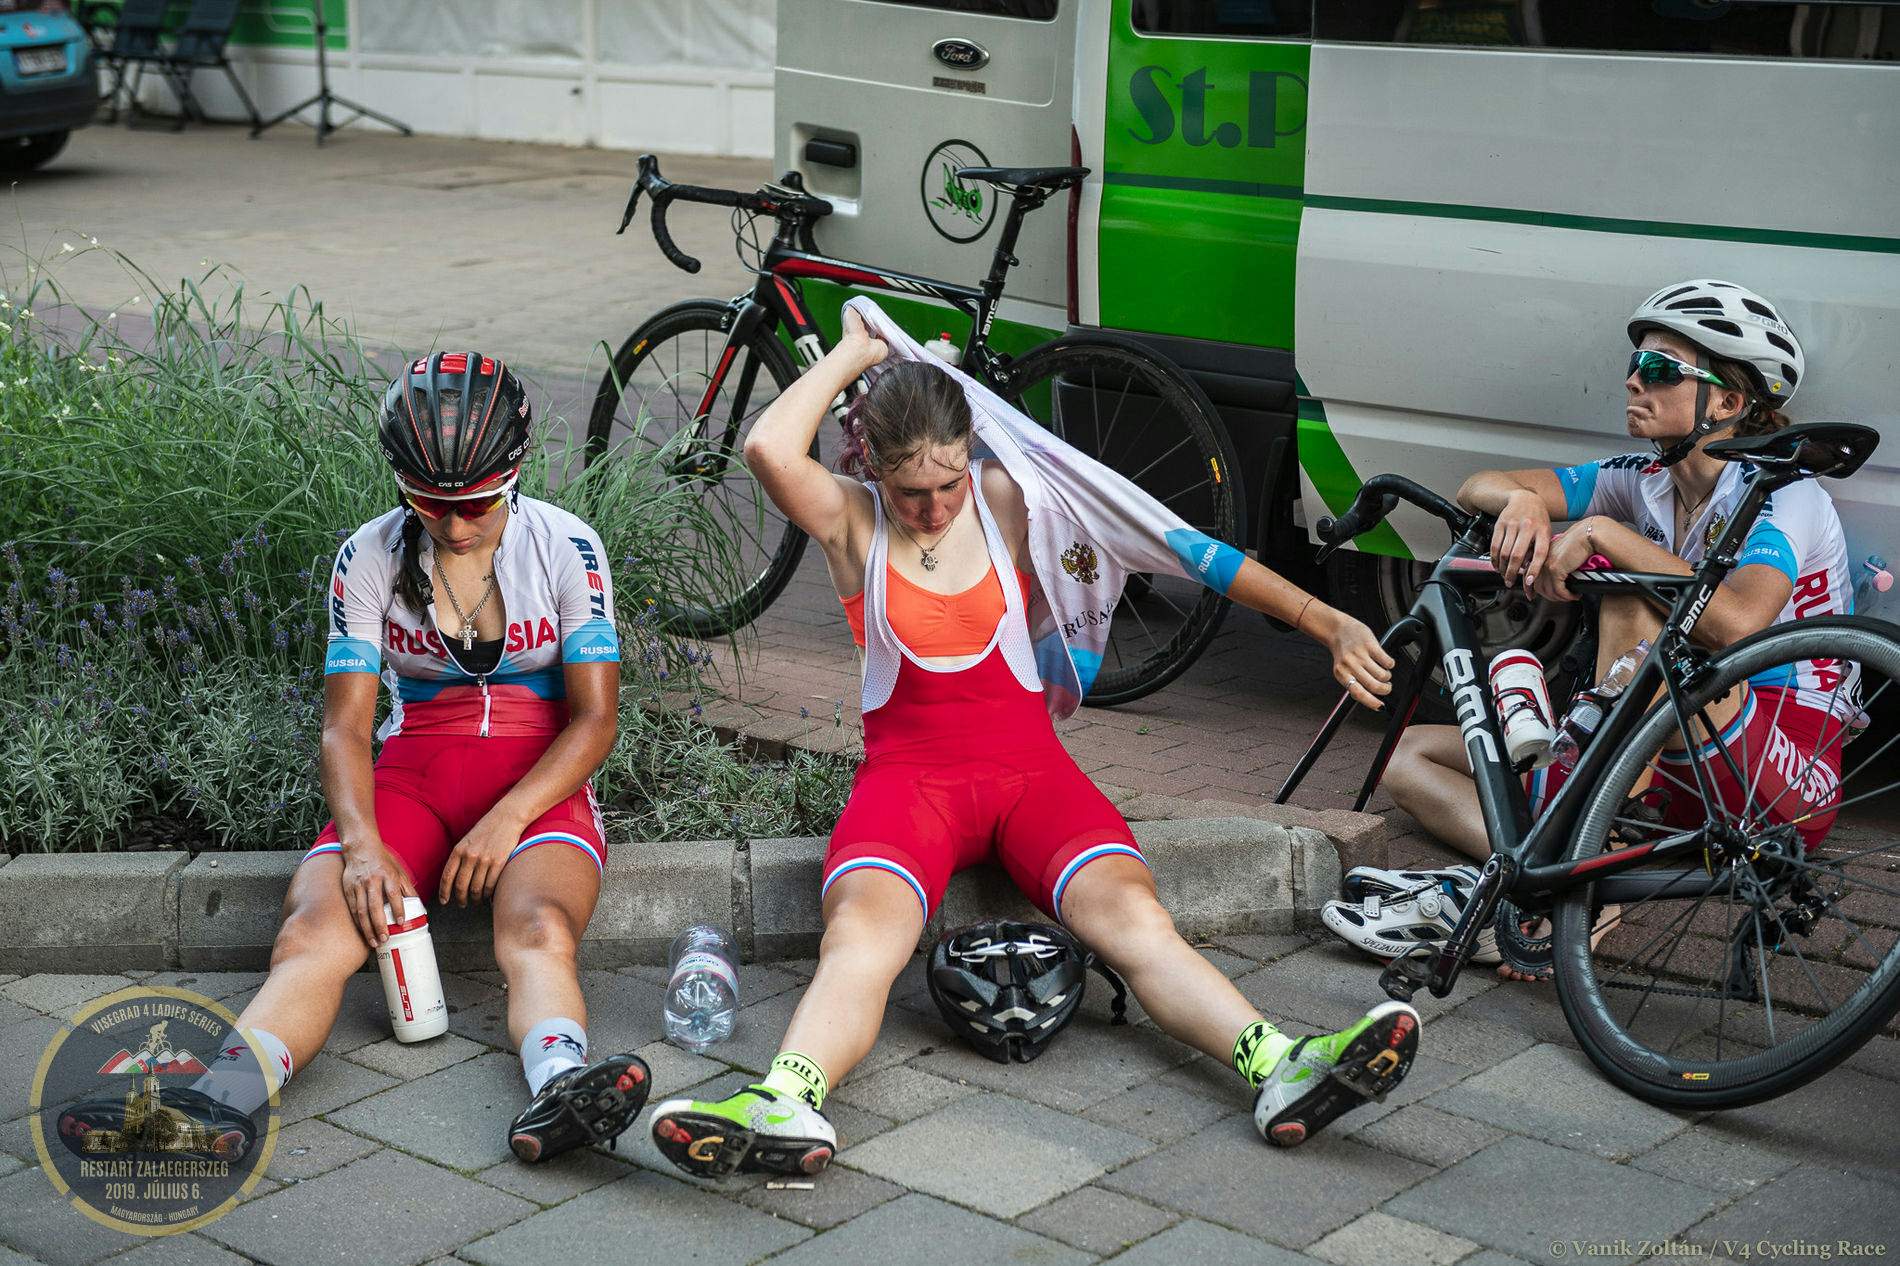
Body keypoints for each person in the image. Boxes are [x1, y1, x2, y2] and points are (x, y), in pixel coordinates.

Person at [646, 307, 1419, 1181]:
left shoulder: (1014, 498)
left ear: (970, 453)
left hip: (1031, 778)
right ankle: (786, 1100)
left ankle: (1280, 1066)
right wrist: (857, 354)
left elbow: (1181, 546)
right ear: (872, 468)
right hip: (910, 789)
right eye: (910, 491)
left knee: (1137, 922)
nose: (933, 508)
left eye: (948, 483)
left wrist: (1323, 621)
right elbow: (766, 447)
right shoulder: (852, 521)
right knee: (860, 937)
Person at [59, 353, 647, 1164]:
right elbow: (345, 729)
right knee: (311, 934)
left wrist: (509, 817)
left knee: (539, 929)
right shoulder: (365, 557)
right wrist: (363, 846)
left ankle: (561, 1090)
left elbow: (596, 719)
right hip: (414, 776)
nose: (455, 526)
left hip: (536, 783)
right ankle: (211, 1105)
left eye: (477, 503)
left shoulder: (568, 545)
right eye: (430, 503)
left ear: (513, 474)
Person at [1382, 279, 1851, 980]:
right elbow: (1477, 484)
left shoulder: (1783, 493)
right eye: (1635, 364)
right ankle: (1564, 875)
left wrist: (1605, 534)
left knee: (1637, 607)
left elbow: (1736, 626)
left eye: (1660, 369)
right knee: (1408, 757)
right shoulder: (1645, 478)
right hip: (1671, 754)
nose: (1634, 380)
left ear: (1728, 403)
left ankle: (1584, 882)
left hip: (1783, 768)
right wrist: (1521, 504)